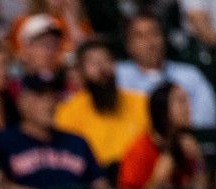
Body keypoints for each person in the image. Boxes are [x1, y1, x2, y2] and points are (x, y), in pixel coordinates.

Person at [0, 73, 107, 189]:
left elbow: (100, 185)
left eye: (53, 97)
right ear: (22, 102)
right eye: (41, 97)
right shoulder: (4, 142)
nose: (50, 103)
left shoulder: (77, 141)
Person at [114, 12, 216, 129]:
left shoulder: (189, 75)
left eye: (154, 33)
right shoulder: (116, 75)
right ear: (128, 44)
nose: (150, 42)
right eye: (140, 36)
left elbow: (206, 118)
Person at [54, 40, 150, 169]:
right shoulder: (67, 111)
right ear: (80, 71)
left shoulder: (142, 102)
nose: (101, 67)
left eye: (106, 60)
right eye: (93, 63)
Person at [118, 82, 208, 189]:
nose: (188, 108)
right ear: (162, 108)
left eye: (187, 101)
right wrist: (158, 179)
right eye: (181, 101)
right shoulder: (141, 148)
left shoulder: (189, 143)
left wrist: (198, 160)